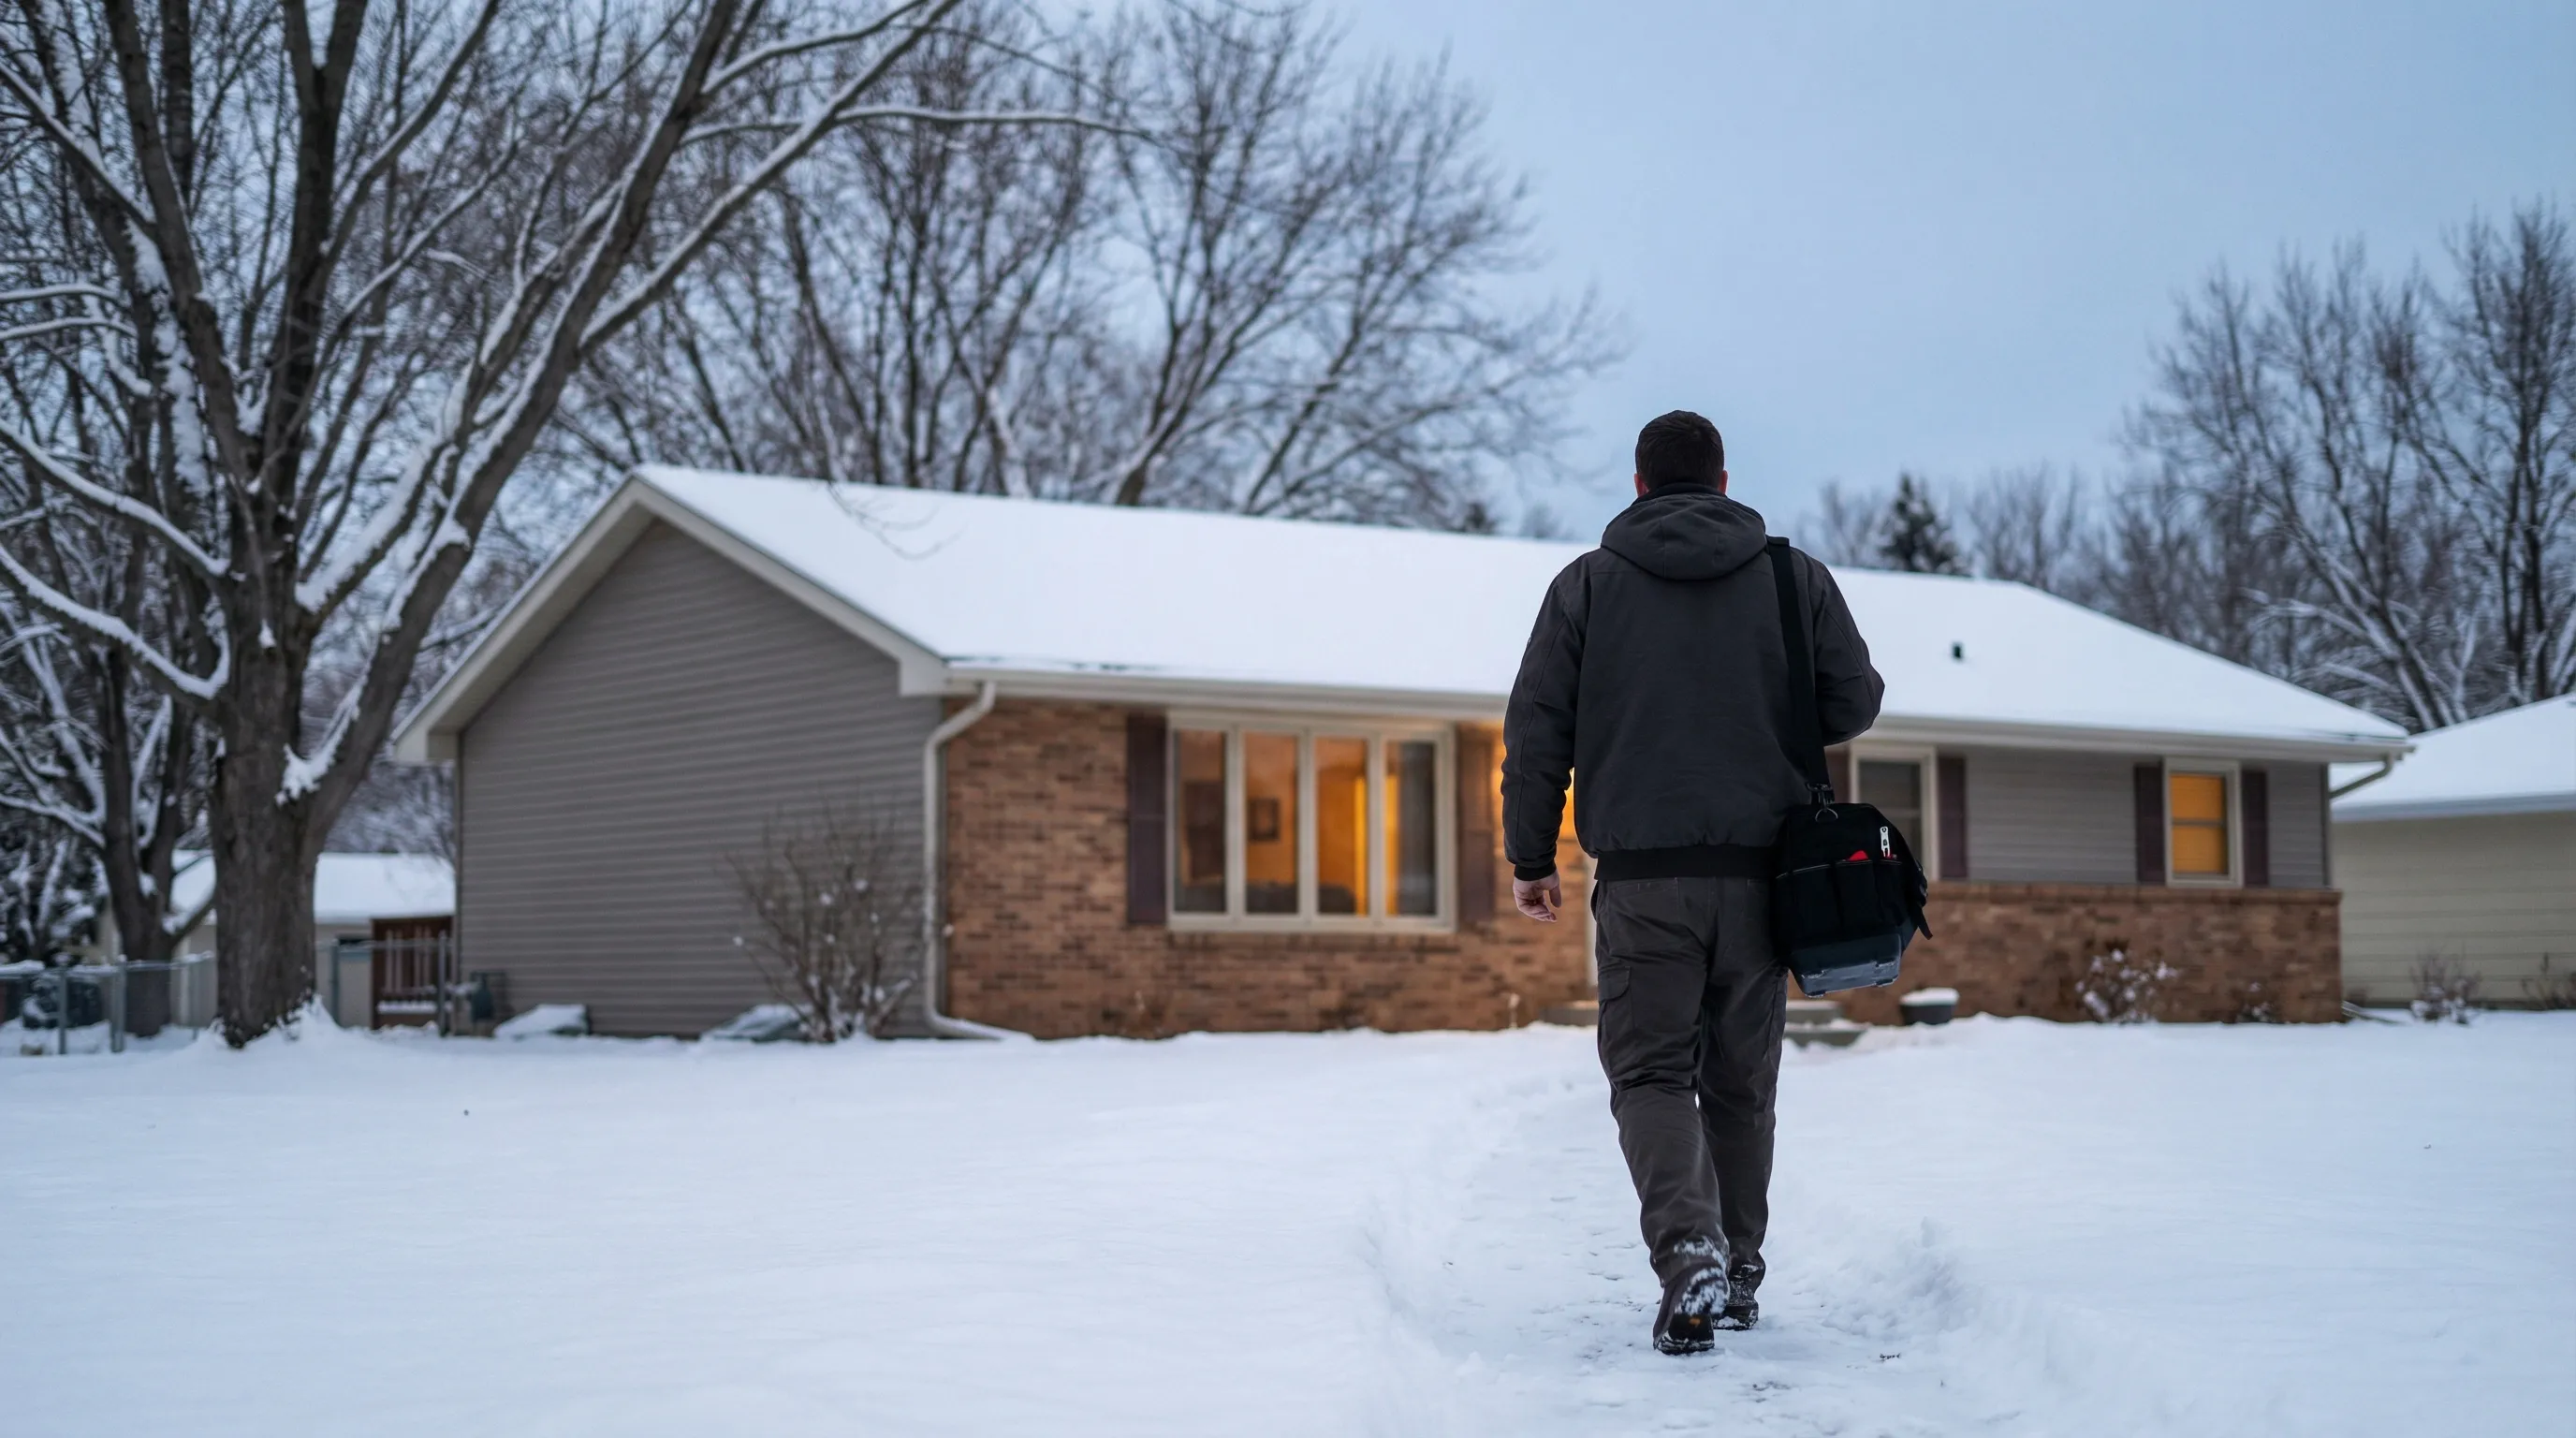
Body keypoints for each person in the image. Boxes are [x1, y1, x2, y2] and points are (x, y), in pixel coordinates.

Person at [1501, 410, 1883, 1356]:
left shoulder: (1585, 587)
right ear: (1721, 483)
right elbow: (1855, 701)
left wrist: (1529, 857)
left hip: (1640, 882)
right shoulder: (1793, 580)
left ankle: (1689, 1255)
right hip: (1764, 880)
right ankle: (1738, 1272)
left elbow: (1537, 729)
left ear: (1637, 488)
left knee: (1649, 1072)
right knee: (1740, 1084)